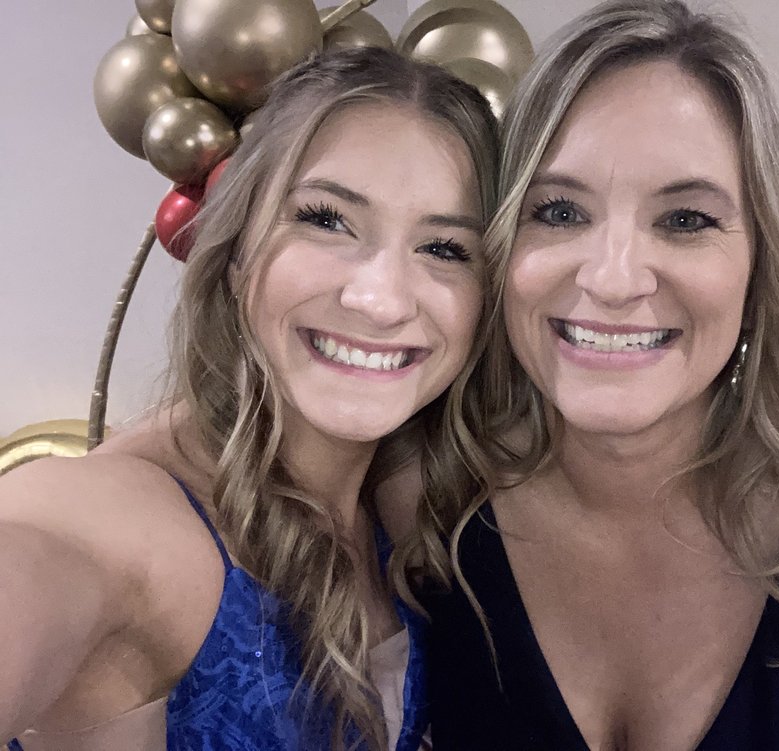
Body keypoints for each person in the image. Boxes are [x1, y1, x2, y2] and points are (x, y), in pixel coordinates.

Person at [421, 1, 779, 749]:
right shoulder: (427, 492)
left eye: (686, 220)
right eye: (559, 211)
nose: (613, 279)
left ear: (760, 261)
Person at [1, 46, 498, 751]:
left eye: (445, 249)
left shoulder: (406, 505)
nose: (382, 299)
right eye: (326, 218)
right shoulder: (115, 518)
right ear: (237, 248)